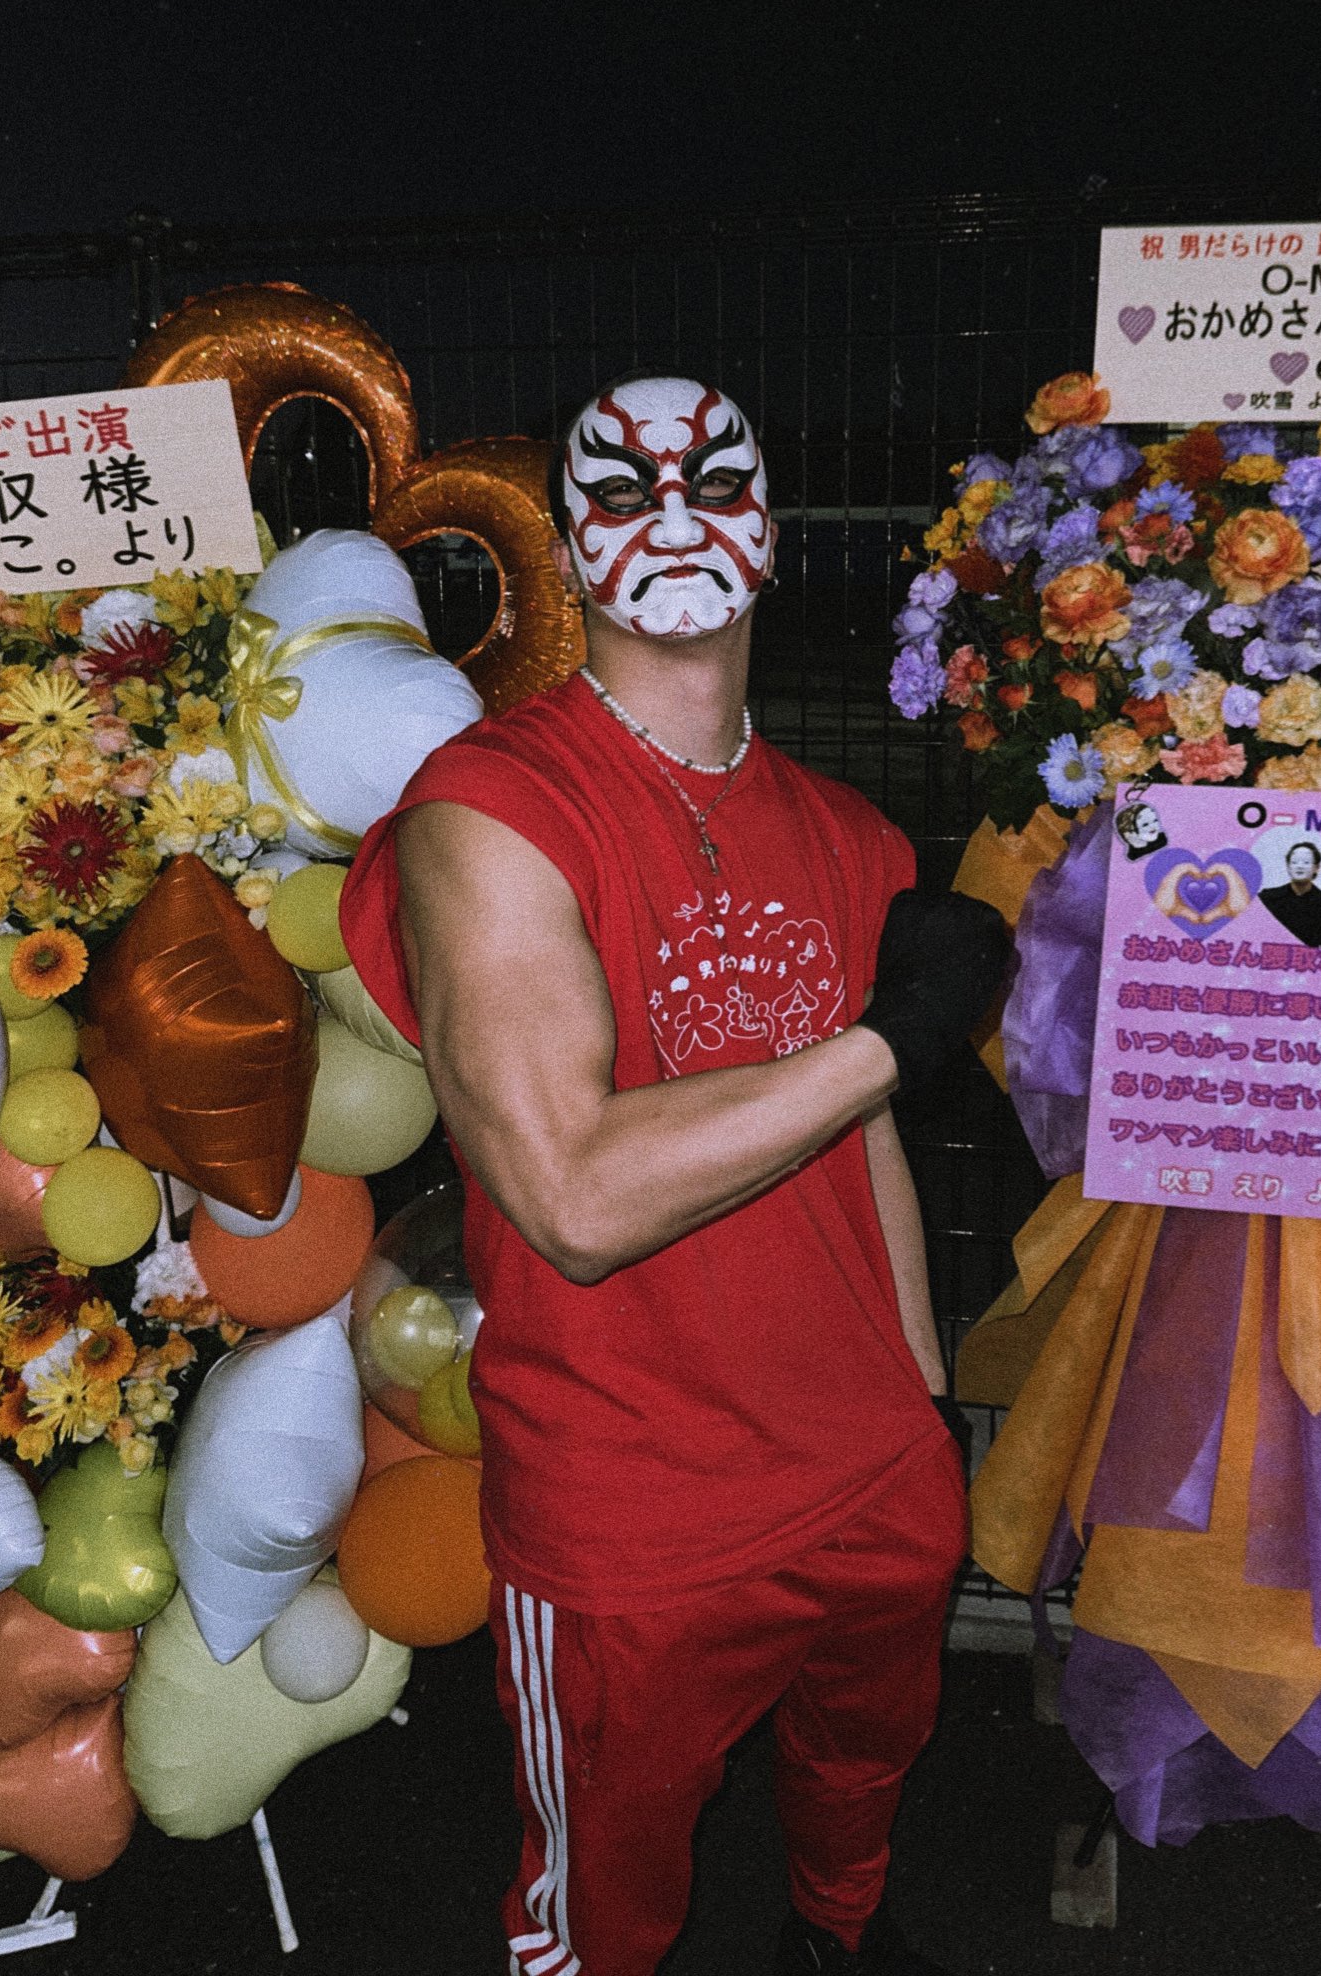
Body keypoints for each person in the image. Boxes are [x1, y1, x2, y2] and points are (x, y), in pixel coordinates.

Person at [340, 375, 1007, 1976]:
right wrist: (885, 1044)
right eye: (625, 492)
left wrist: (918, 1404)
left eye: (714, 482)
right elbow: (569, 1198)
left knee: (863, 1771)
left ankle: (836, 1941)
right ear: (571, 548)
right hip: (631, 1505)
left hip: (866, 1465)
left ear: (770, 531)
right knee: (604, 1893)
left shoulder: (850, 835)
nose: (676, 518)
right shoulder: (487, 813)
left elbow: (858, 1139)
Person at [1258, 839, 1321, 947]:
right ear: (1288, 867)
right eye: (1294, 862)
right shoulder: (1268, 898)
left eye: (1306, 862)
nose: (1299, 866)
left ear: (1316, 868)